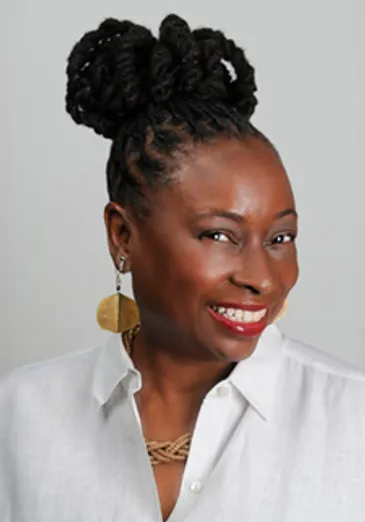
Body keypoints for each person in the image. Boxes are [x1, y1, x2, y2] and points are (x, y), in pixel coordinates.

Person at [0, 13, 364, 522]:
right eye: (219, 235)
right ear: (122, 235)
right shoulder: (17, 417)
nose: (261, 277)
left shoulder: (353, 420)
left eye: (281, 238)